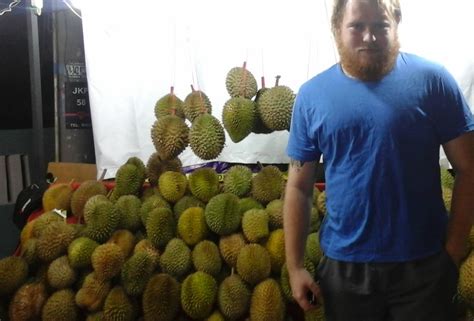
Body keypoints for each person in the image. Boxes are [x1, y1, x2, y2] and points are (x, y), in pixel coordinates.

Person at [283, 0, 474, 320]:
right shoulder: (312, 95)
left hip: (424, 266)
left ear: (396, 24)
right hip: (345, 270)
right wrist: (295, 266)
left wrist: (452, 251)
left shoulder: (433, 81)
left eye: (381, 26)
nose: (369, 37)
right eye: (357, 26)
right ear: (337, 30)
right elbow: (298, 188)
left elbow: (469, 168)